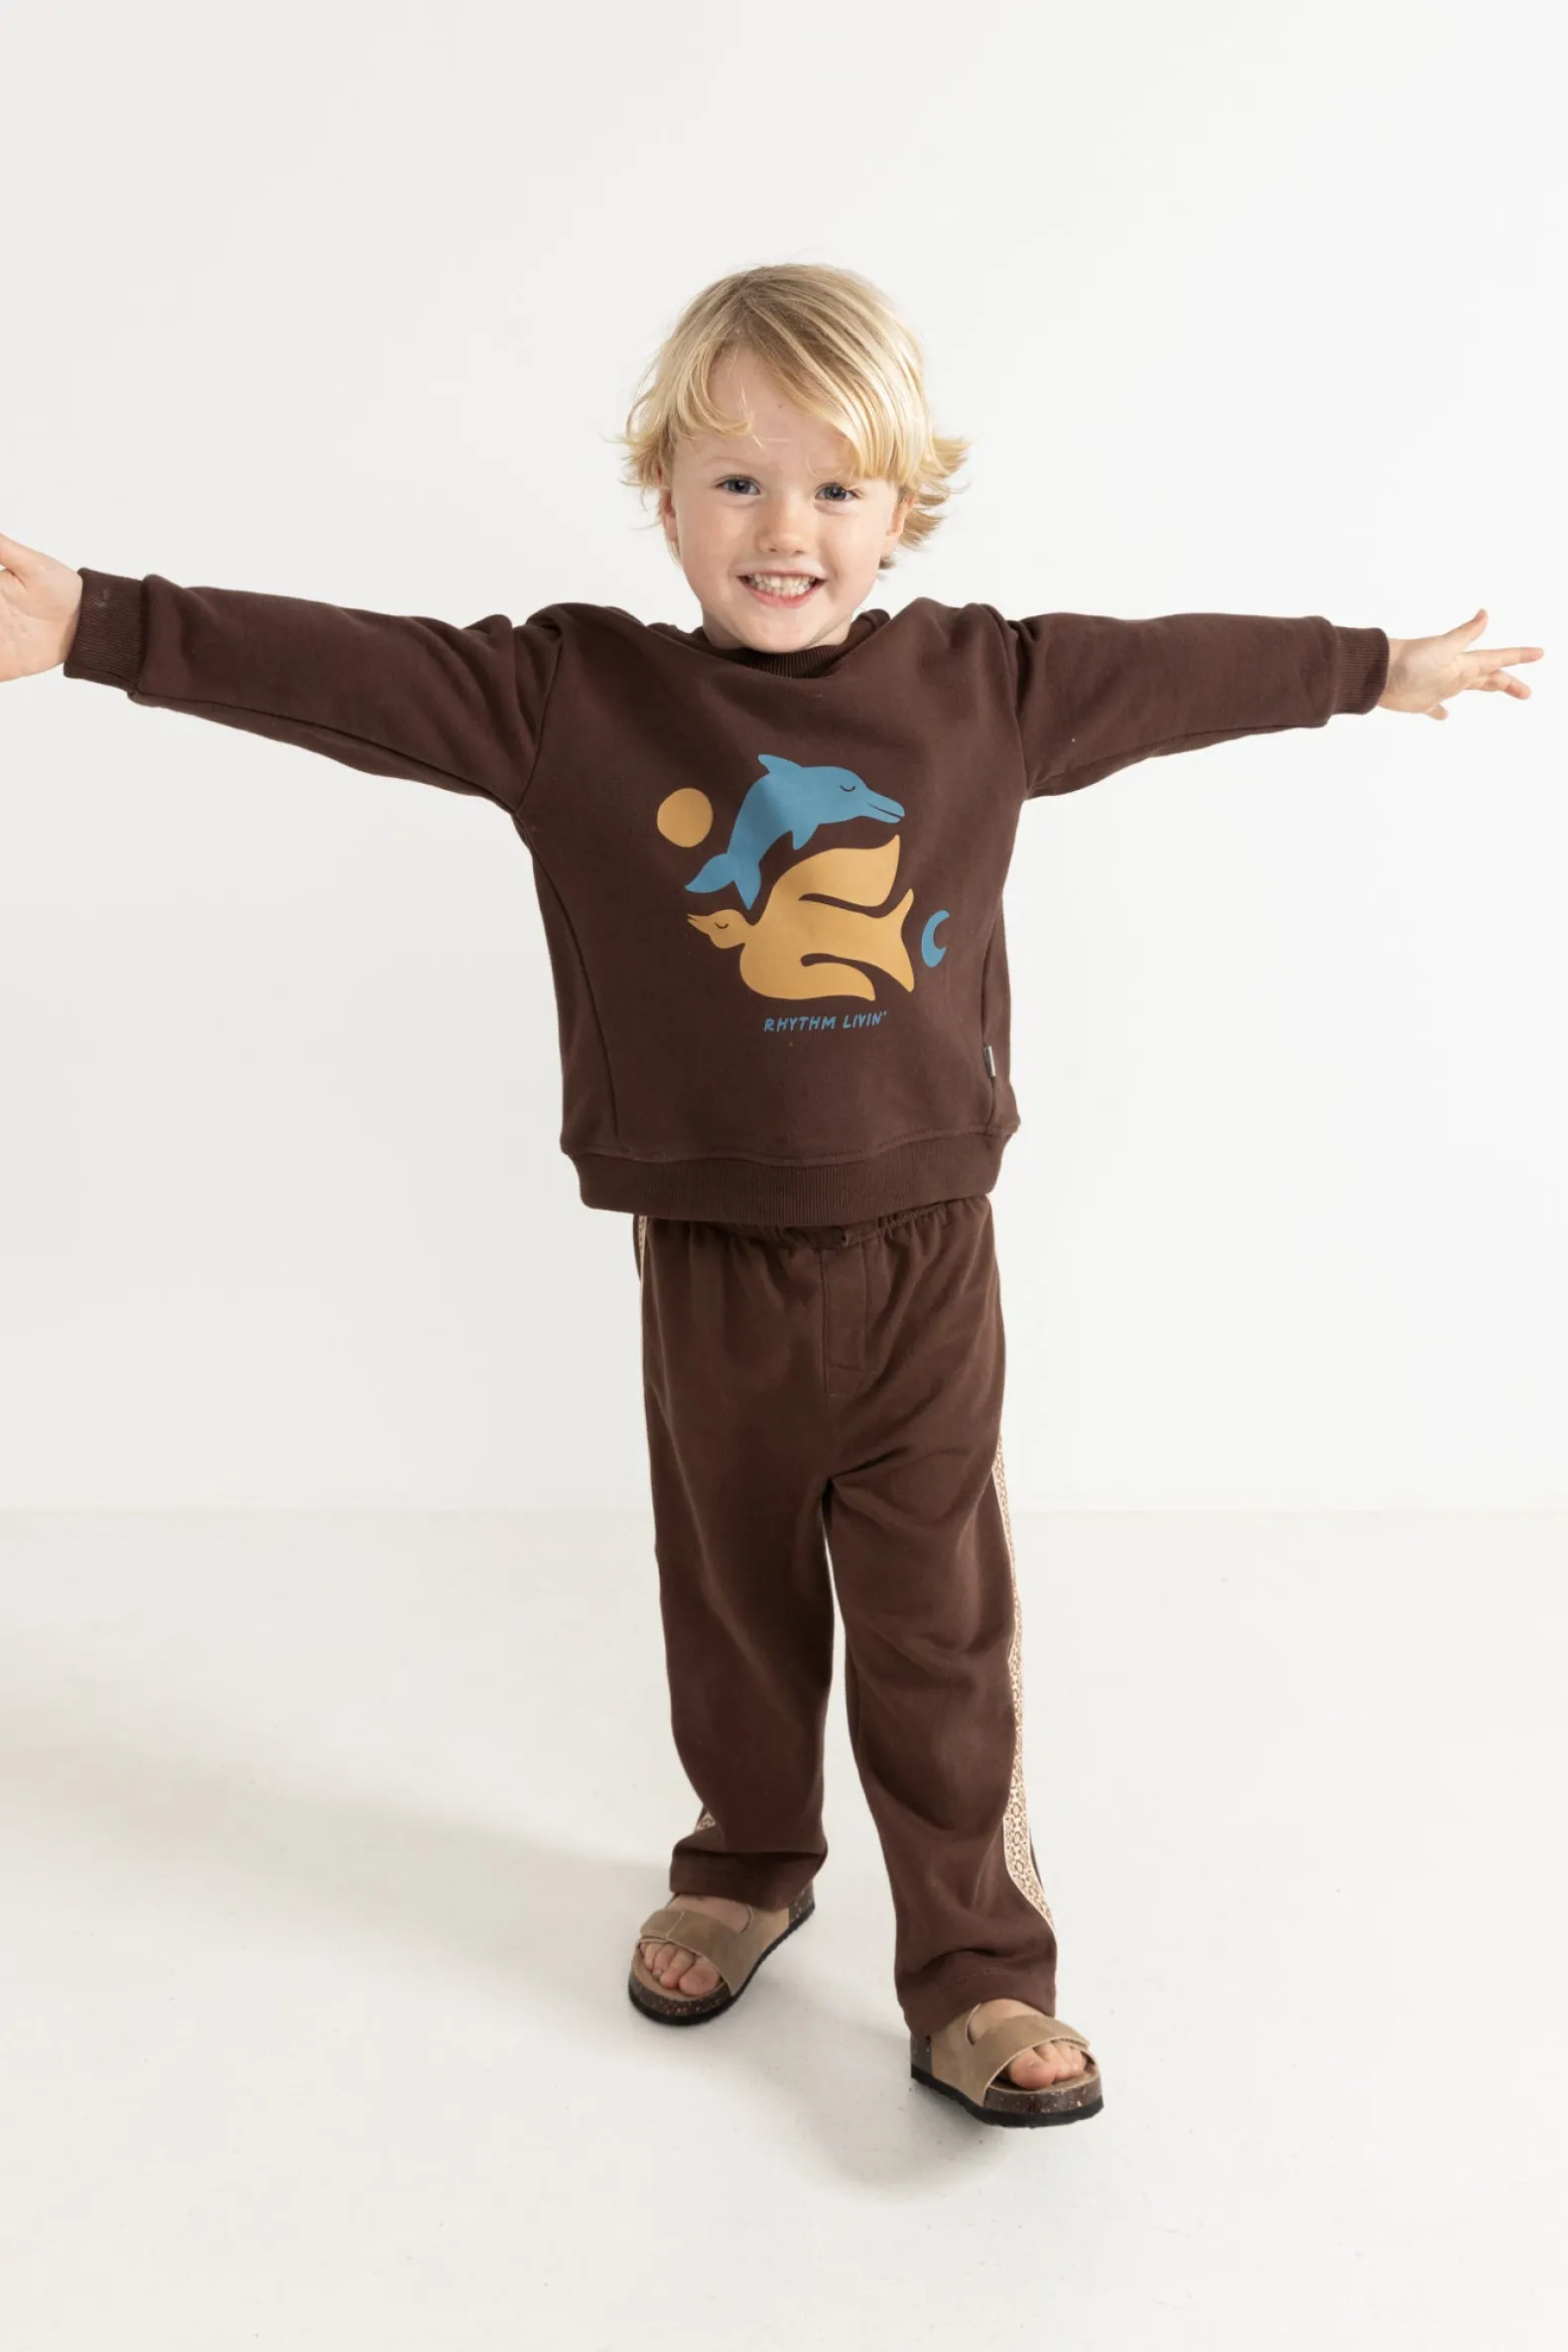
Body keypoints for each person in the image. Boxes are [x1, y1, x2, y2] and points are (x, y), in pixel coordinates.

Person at [0, 262, 1542, 2129]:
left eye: (833, 487)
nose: (783, 529)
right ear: (664, 498)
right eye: (735, 481)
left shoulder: (986, 684)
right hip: (712, 1256)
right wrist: (97, 622)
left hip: (924, 1261)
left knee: (936, 1625)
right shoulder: (579, 695)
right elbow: (353, 668)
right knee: (731, 1593)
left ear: (903, 511)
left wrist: (1373, 666)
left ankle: (978, 1968)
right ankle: (747, 1858)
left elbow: (1179, 669)